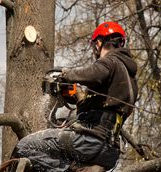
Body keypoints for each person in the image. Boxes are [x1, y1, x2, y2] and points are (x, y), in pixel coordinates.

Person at [10, 21, 138, 172]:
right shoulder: (130, 79)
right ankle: (82, 168)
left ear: (98, 43)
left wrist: (65, 77)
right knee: (55, 158)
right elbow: (104, 106)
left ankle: (76, 171)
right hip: (109, 151)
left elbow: (95, 74)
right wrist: (78, 98)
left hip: (89, 141)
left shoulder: (109, 61)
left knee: (24, 146)